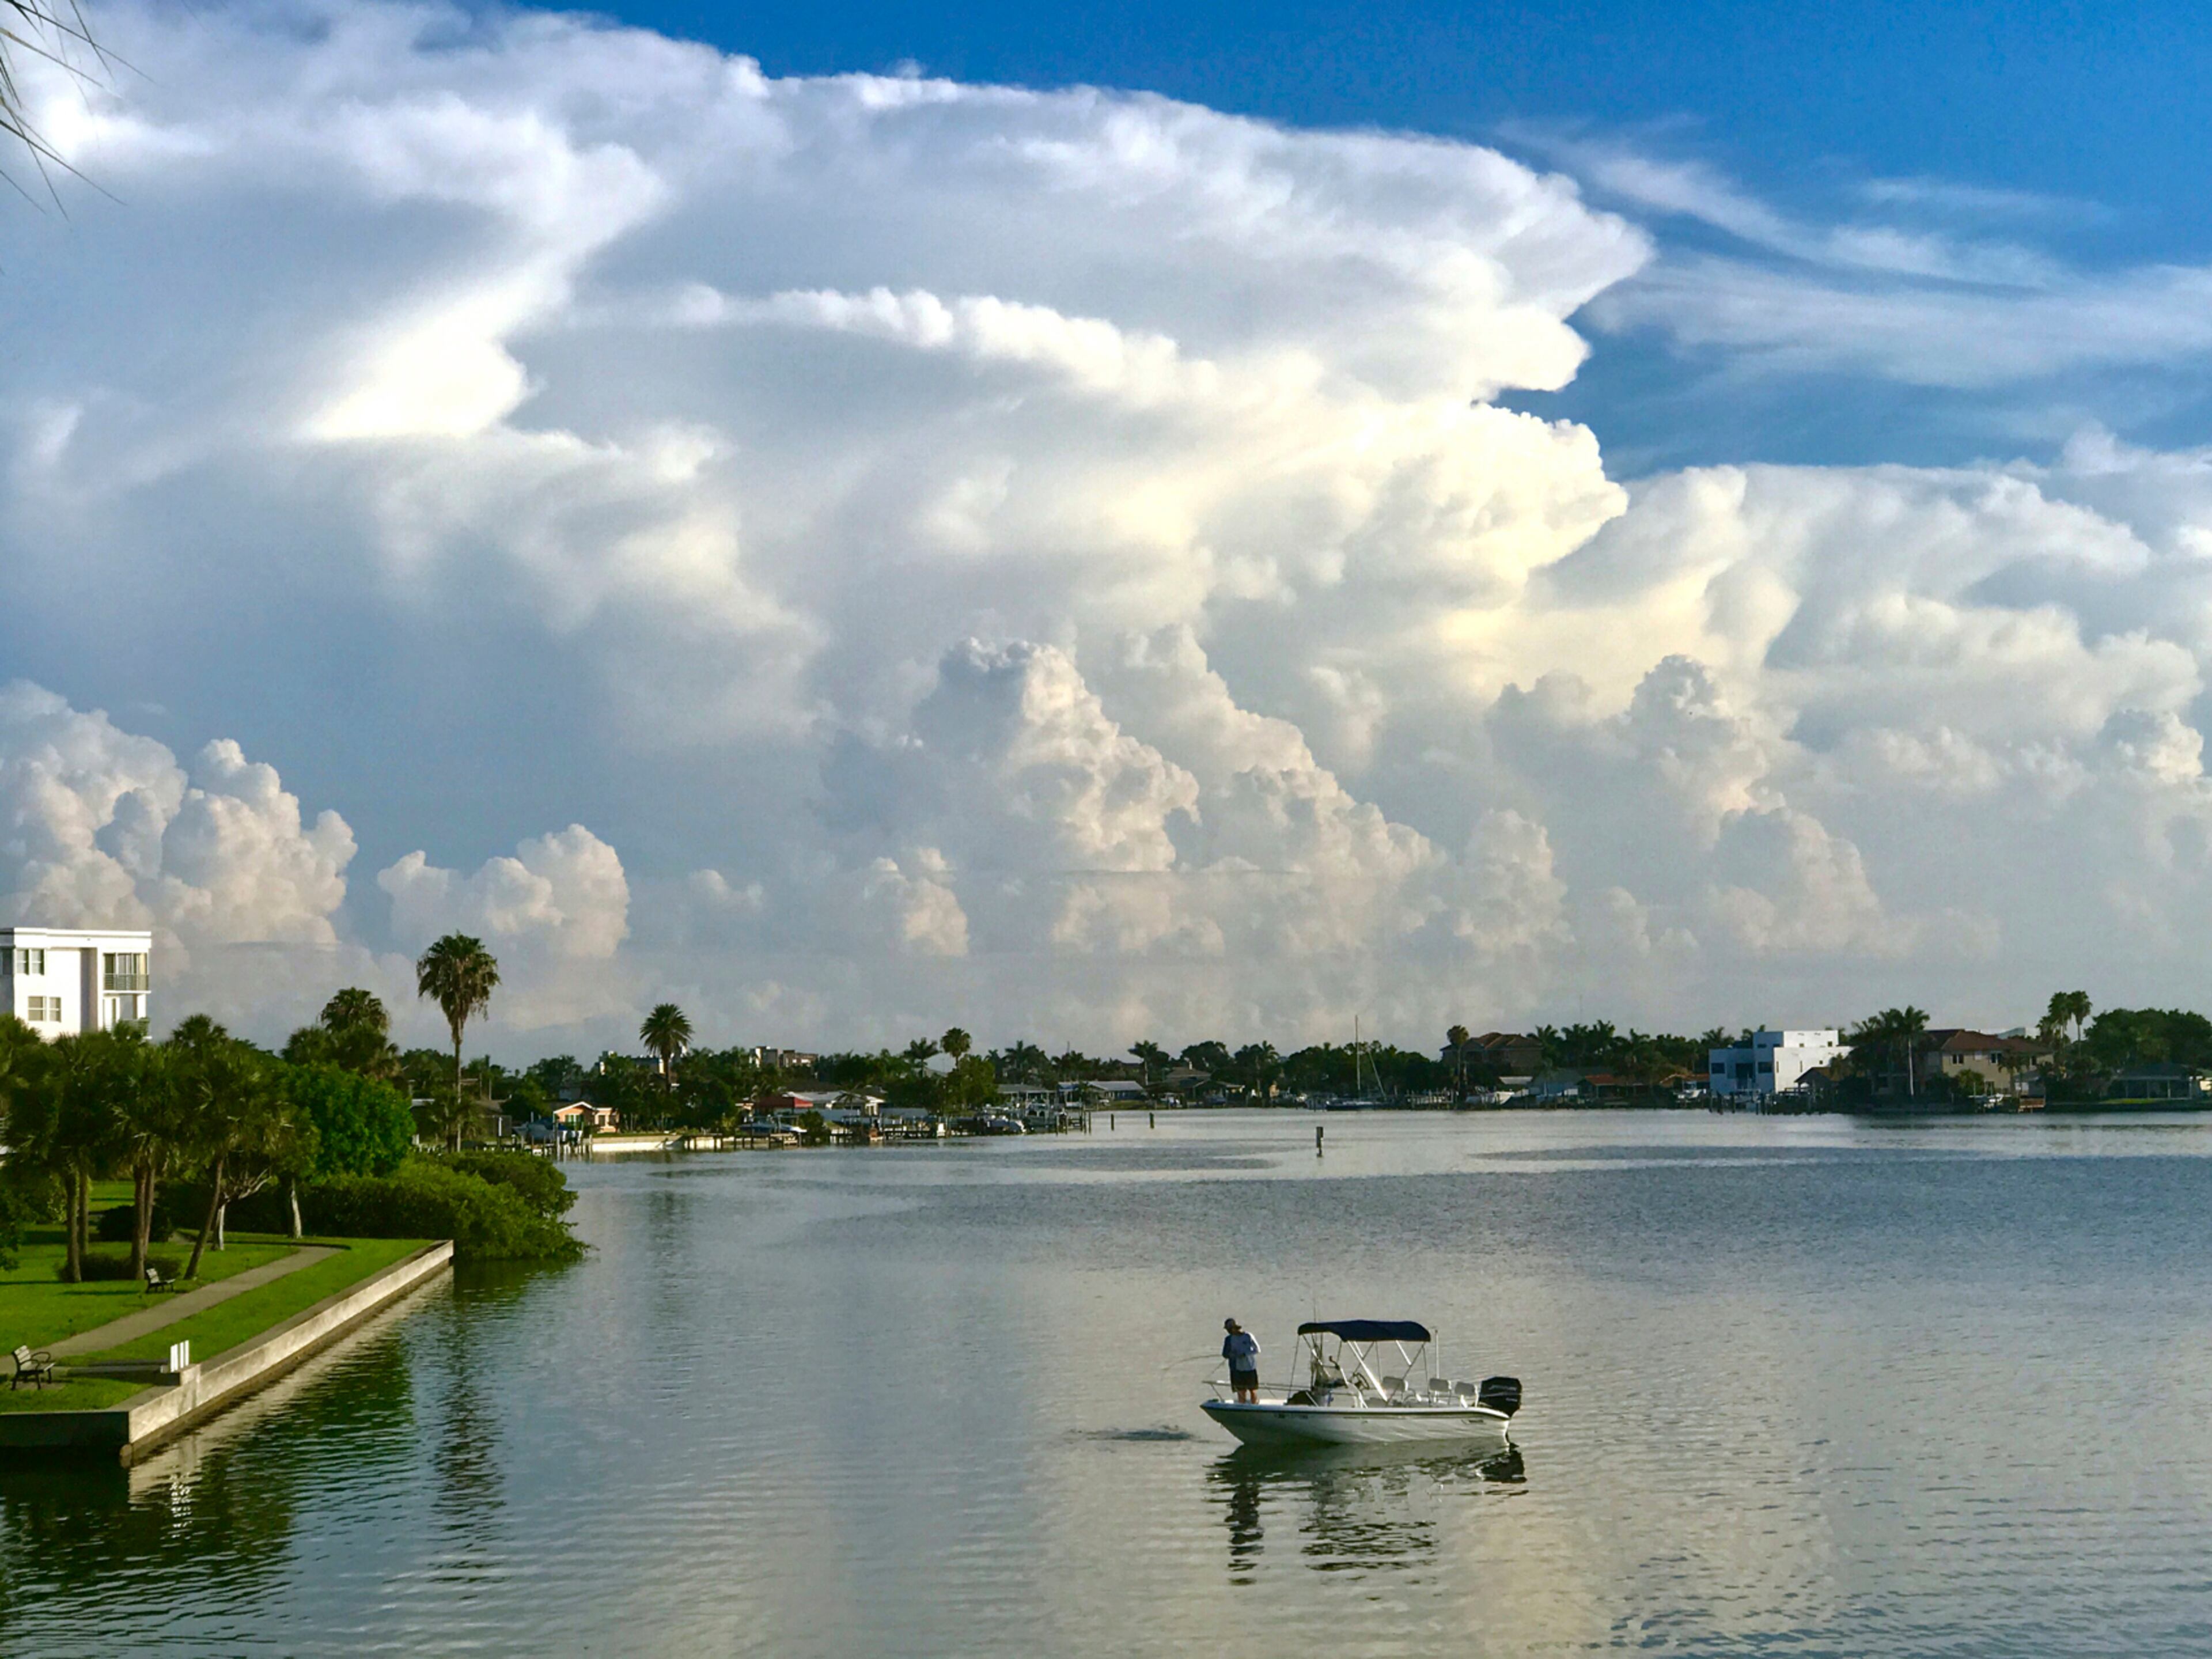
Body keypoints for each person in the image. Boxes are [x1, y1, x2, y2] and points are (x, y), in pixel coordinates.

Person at [1222, 1318, 1261, 1403]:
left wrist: (1245, 1354)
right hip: (1237, 1369)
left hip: (1250, 1367)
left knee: (1253, 1389)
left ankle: (1254, 1405)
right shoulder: (1229, 1339)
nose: (1229, 1331)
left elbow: (1257, 1350)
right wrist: (1231, 1355)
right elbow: (1225, 1354)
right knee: (1241, 1390)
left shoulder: (1248, 1336)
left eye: (1229, 1329)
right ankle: (1242, 1405)